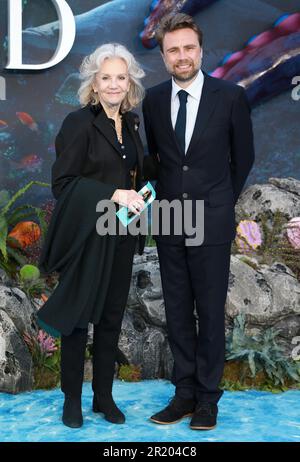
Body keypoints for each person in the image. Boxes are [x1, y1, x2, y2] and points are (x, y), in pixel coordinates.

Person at [142, 13, 255, 430]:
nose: (182, 56)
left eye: (188, 48)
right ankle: (184, 394)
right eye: (173, 50)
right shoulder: (153, 100)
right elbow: (155, 159)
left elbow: (243, 158)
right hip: (171, 219)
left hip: (212, 219)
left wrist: (219, 201)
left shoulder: (230, 96)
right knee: (176, 311)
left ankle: (208, 399)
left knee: (209, 312)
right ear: (164, 56)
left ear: (201, 50)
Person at [37, 43, 146, 428]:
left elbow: (136, 174)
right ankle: (72, 401)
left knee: (112, 317)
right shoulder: (78, 123)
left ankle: (104, 397)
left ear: (128, 82)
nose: (114, 84)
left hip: (121, 237)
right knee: (78, 320)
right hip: (88, 235)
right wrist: (113, 194)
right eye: (106, 78)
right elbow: (63, 183)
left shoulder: (131, 123)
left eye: (121, 77)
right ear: (94, 85)